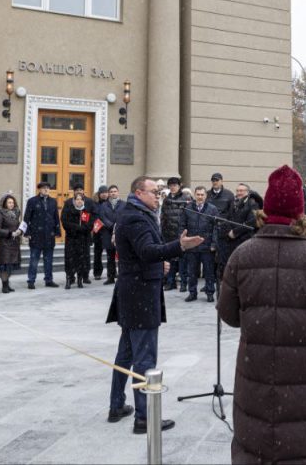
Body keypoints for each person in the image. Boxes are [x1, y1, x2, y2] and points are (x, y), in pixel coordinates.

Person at [218, 164, 306, 463]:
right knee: (304, 446)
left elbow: (229, 315)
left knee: (255, 444)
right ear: (300, 212)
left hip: (255, 371)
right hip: (305, 374)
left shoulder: (243, 254)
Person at [107, 176, 204, 433]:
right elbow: (147, 250)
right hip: (140, 295)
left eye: (160, 192)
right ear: (138, 193)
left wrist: (157, 262)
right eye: (153, 192)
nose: (158, 196)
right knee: (144, 358)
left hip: (133, 290)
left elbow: (140, 253)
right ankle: (144, 417)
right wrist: (178, 246)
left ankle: (117, 405)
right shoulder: (136, 217)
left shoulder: (134, 213)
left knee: (126, 353)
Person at [182, 186, 220, 302]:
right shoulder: (188, 209)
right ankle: (192, 293)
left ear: (205, 196)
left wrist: (214, 243)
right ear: (194, 195)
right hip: (192, 245)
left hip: (207, 245)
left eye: (202, 195)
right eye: (198, 194)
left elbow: (216, 228)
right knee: (192, 271)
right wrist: (184, 242)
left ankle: (209, 292)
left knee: (208, 271)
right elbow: (182, 226)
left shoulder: (212, 209)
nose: (200, 197)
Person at [24, 181, 61, 289]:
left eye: (48, 188)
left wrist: (57, 231)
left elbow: (56, 217)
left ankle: (48, 280)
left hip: (49, 235)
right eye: (44, 188)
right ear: (39, 189)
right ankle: (31, 280)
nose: (46, 190)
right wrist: (27, 232)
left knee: (48, 260)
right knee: (34, 259)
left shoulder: (53, 201)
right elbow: (27, 217)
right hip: (36, 234)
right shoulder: (32, 201)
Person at [219, 183, 259, 280]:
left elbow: (251, 222)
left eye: (241, 191)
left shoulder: (252, 203)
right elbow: (227, 218)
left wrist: (235, 232)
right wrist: (229, 231)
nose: (239, 193)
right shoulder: (233, 202)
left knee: (244, 266)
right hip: (232, 240)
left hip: (245, 239)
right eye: (237, 191)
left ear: (247, 192)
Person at [161, 177, 191, 291]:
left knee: (182, 260)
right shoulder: (166, 199)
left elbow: (188, 216)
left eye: (175, 185)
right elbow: (163, 216)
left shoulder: (185, 198)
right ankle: (170, 282)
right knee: (169, 259)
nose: (173, 187)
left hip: (181, 233)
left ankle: (183, 283)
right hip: (168, 233)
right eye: (171, 185)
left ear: (179, 186)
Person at [61, 189, 94, 289]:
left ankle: (80, 280)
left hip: (82, 240)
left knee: (81, 260)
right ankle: (69, 279)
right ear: (74, 200)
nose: (79, 201)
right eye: (77, 199)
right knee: (70, 260)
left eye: (81, 199)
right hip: (71, 239)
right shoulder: (69, 209)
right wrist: (76, 228)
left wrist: (83, 229)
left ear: (83, 201)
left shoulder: (86, 211)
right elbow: (65, 222)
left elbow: (89, 225)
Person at [0, 193, 22, 293]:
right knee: (4, 265)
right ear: (5, 203)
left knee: (10, 265)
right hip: (3, 243)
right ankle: (4, 285)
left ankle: (7, 283)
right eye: (9, 202)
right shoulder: (0, 213)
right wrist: (10, 233)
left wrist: (20, 231)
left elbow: (18, 225)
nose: (11, 204)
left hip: (14, 243)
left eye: (12, 202)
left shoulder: (16, 212)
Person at [96, 185, 124, 285]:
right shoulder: (104, 205)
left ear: (118, 192)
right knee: (110, 257)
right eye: (111, 191)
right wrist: (112, 226)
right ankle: (110, 277)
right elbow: (102, 217)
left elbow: (124, 217)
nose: (113, 193)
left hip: (120, 234)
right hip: (108, 234)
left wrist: (117, 227)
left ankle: (122, 277)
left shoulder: (123, 204)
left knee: (122, 257)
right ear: (109, 193)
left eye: (115, 191)